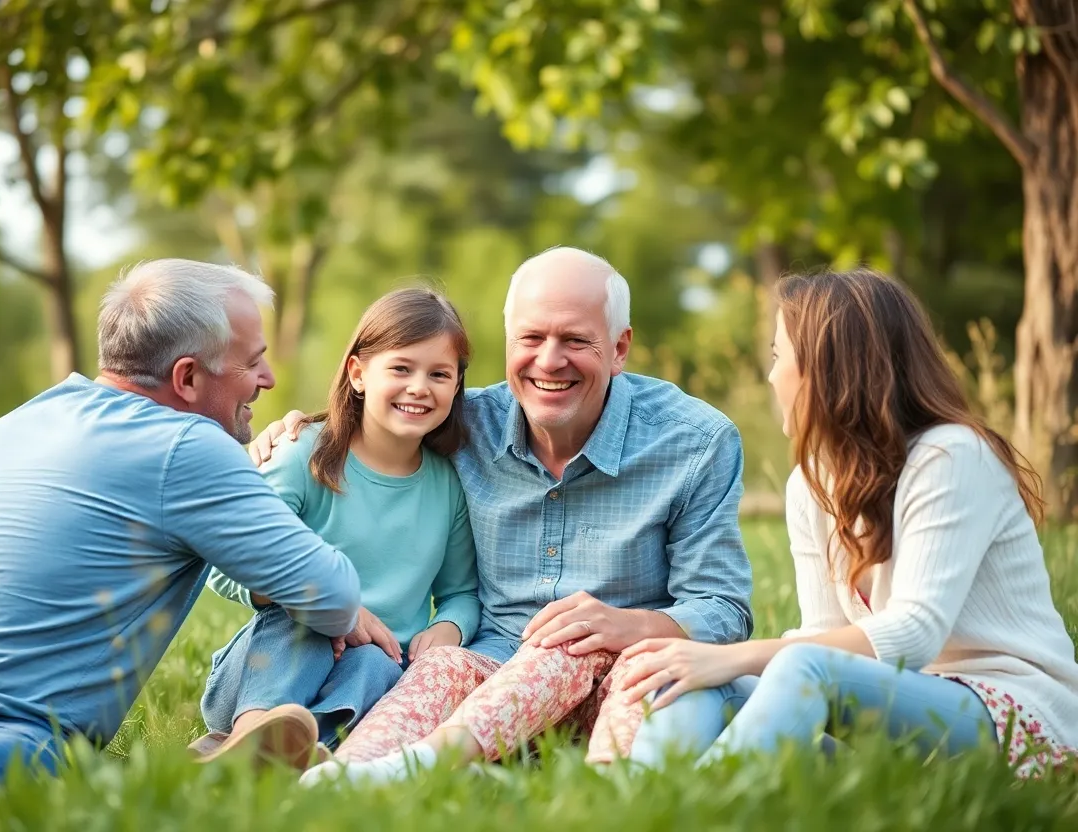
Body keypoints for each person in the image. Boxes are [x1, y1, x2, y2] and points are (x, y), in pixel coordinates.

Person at [250, 247, 754, 785]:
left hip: (621, 674)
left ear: (620, 348)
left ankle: (604, 790)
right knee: (440, 667)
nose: (550, 360)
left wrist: (626, 624)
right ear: (509, 339)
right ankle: (350, 777)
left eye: (576, 340)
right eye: (532, 339)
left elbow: (724, 609)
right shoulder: (462, 423)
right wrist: (297, 433)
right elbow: (377, 420)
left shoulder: (695, 441)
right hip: (492, 677)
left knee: (576, 647)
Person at [0, 259, 362, 794]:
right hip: (15, 721)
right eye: (252, 363)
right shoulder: (188, 445)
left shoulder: (28, 416)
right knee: (41, 759)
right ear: (187, 377)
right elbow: (331, 595)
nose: (269, 379)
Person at [622, 267, 1078, 777]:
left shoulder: (951, 457)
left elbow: (913, 633)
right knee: (702, 680)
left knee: (787, 665)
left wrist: (740, 655)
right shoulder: (811, 484)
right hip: (897, 732)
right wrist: (718, 666)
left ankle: (703, 810)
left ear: (828, 365)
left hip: (1015, 722)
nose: (771, 376)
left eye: (779, 357)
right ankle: (646, 799)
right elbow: (825, 634)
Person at [190, 288, 480, 764]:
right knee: (305, 621)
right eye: (401, 368)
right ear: (359, 373)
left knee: (378, 662)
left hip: (363, 675)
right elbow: (225, 565)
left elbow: (461, 592)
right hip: (261, 674)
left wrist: (449, 626)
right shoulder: (304, 454)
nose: (419, 387)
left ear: (456, 387)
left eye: (439, 374)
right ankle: (247, 735)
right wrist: (333, 605)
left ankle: (310, 752)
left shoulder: (447, 486)